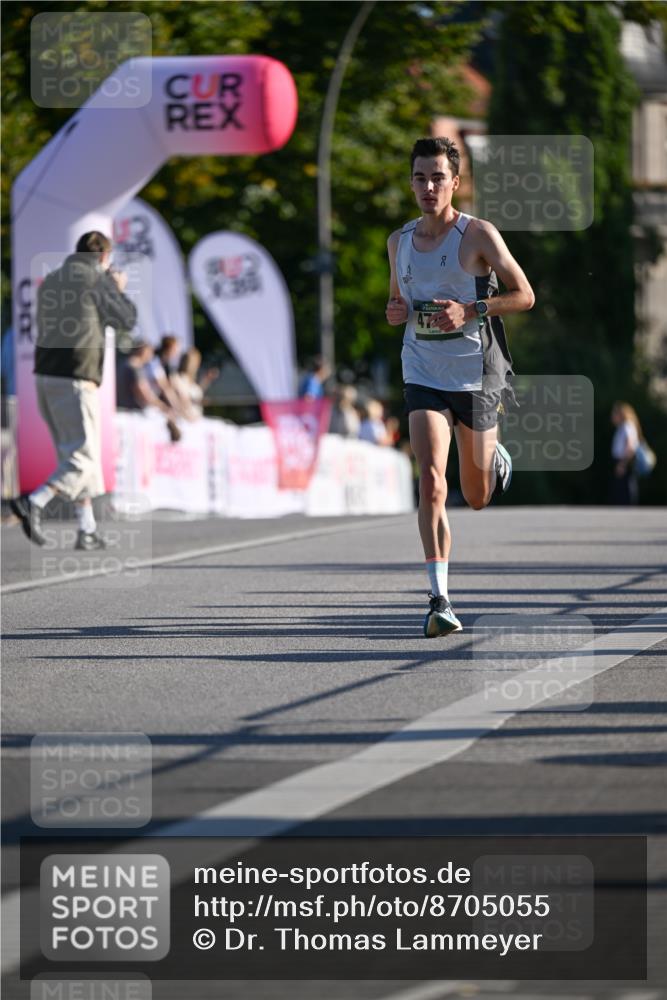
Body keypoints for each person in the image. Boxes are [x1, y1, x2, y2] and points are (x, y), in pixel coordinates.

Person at [386, 136, 534, 637]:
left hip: (475, 375)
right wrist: (396, 312)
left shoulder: (478, 235)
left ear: (455, 183)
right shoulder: (398, 241)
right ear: (411, 183)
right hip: (423, 370)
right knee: (430, 481)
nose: (428, 186)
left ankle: (493, 456)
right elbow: (396, 303)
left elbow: (524, 295)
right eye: (419, 177)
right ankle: (439, 599)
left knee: (475, 496)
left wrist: (470, 310)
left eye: (437, 177)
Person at [10, 231, 136, 549]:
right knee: (82, 459)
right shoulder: (96, 279)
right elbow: (126, 319)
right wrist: (118, 289)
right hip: (76, 377)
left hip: (45, 375)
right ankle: (33, 502)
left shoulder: (52, 280)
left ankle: (87, 528)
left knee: (78, 453)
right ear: (104, 256)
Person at [170, 347, 219, 420]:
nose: (196, 366)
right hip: (185, 418)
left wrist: (207, 379)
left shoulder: (190, 380)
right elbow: (183, 400)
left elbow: (196, 392)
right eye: (194, 363)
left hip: (195, 418)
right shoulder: (177, 378)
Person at [610, 401, 641, 506]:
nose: (612, 417)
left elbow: (630, 446)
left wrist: (623, 463)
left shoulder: (627, 426)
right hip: (623, 460)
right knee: (622, 487)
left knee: (626, 487)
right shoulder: (623, 427)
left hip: (625, 460)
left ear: (621, 414)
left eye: (614, 414)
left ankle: (628, 511)